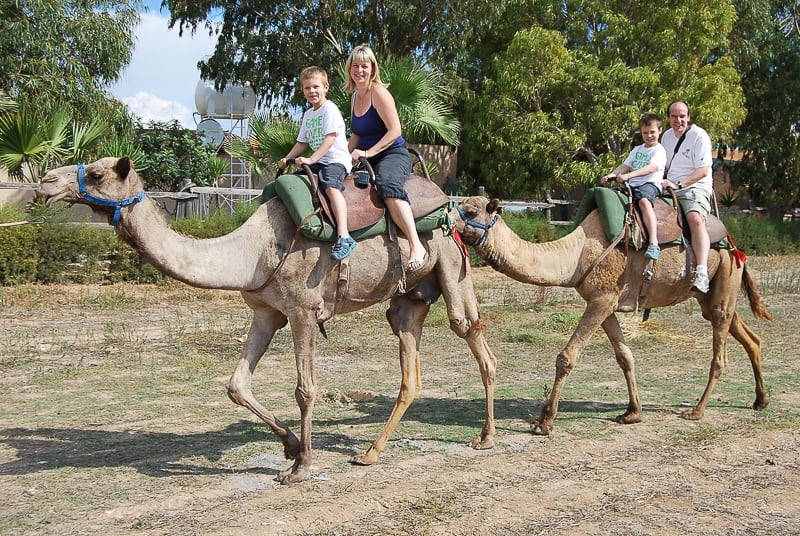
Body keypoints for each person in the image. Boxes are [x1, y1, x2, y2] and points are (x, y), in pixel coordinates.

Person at [345, 44, 428, 272]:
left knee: (386, 185)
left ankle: (416, 245)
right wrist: (343, 157)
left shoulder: (379, 92)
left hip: (392, 154)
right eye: (355, 65)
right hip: (365, 158)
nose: (359, 70)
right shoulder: (354, 97)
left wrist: (369, 153)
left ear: (373, 69)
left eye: (364, 66)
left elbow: (395, 131)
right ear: (349, 69)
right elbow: (357, 133)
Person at [280, 66, 356, 260]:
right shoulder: (308, 114)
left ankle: (344, 235)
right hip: (319, 161)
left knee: (330, 186)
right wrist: (287, 159)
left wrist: (312, 159)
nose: (312, 91)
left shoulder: (329, 109)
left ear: (326, 87)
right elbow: (302, 142)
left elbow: (330, 138)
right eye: (307, 88)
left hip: (336, 160)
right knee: (296, 182)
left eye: (316, 87)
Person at [661, 100, 714, 293]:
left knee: (695, 219)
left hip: (694, 187)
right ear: (668, 118)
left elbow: (703, 170)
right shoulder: (666, 136)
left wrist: (680, 185)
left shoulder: (699, 136)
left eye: (682, 116)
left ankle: (702, 272)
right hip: (669, 187)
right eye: (674, 116)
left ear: (689, 117)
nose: (678, 120)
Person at [601, 113, 667, 260]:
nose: (649, 136)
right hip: (632, 185)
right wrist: (611, 175)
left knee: (644, 201)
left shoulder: (659, 151)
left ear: (660, 131)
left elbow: (651, 168)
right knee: (612, 198)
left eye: (652, 132)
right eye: (645, 133)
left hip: (649, 184)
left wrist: (629, 176)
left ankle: (653, 242)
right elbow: (625, 166)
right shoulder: (637, 149)